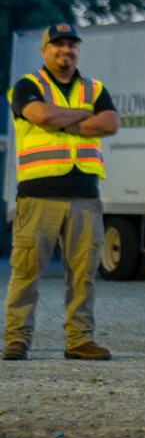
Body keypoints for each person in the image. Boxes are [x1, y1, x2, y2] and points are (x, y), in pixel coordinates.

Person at [5, 23, 118, 362]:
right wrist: (84, 116)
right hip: (38, 194)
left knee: (84, 274)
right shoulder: (28, 85)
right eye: (58, 45)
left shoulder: (94, 87)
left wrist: (61, 119)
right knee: (26, 272)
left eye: (71, 45)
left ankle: (80, 340)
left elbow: (110, 123)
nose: (65, 51)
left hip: (85, 195)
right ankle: (17, 339)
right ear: (44, 51)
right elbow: (39, 114)